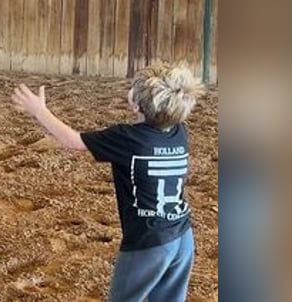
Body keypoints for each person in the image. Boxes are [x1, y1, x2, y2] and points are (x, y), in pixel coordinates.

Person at [11, 63, 205, 302]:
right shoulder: (179, 131)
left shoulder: (129, 138)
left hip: (148, 242)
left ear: (135, 105)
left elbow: (74, 141)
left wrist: (39, 111)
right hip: (182, 236)